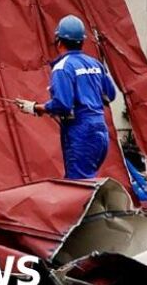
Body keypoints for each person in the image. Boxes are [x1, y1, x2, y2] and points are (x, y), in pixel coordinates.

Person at [15, 15, 117, 179]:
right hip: (100, 132)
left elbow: (62, 105)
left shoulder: (63, 67)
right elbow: (110, 95)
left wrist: (35, 107)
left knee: (79, 186)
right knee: (88, 181)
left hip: (80, 133)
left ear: (59, 41)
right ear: (82, 41)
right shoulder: (94, 64)